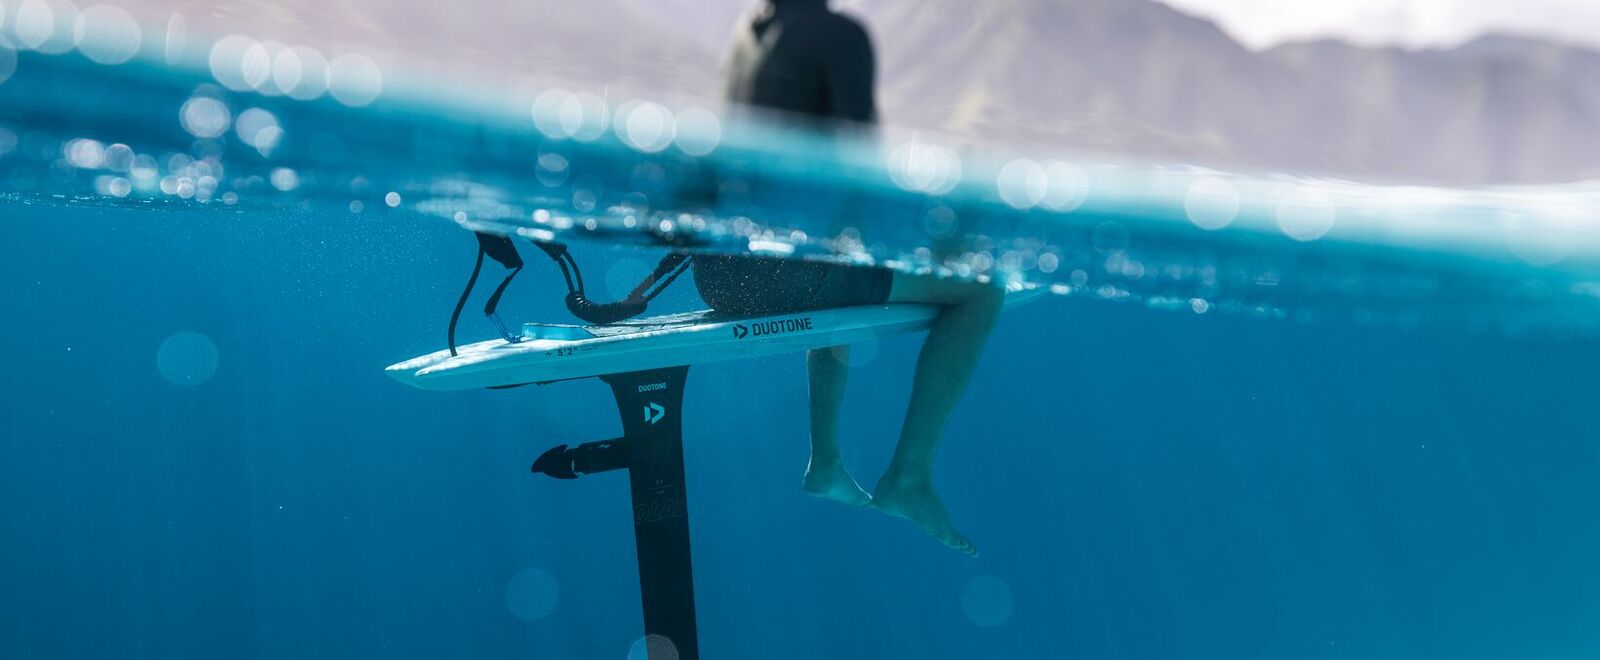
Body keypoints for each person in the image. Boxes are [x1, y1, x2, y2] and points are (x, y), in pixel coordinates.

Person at [692, 0, 1004, 557]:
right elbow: (861, 175)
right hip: (776, 274)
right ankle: (909, 476)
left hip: (717, 273)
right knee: (981, 289)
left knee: (838, 260)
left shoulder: (750, 32)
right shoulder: (839, 36)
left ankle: (827, 462)